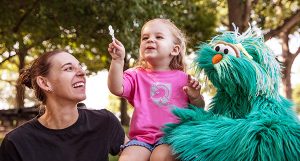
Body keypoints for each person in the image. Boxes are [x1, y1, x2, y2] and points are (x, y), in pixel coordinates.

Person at [107, 18, 205, 161]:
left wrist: (195, 97)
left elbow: (199, 108)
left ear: (175, 49)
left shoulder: (184, 79)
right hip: (141, 139)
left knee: (160, 157)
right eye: (145, 38)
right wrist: (117, 61)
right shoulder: (136, 75)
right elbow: (116, 88)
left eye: (158, 37)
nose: (150, 40)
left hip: (171, 137)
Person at [0, 50, 125, 161]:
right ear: (44, 83)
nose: (82, 72)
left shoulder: (104, 122)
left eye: (80, 67)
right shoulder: (16, 143)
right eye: (68, 68)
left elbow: (135, 148)